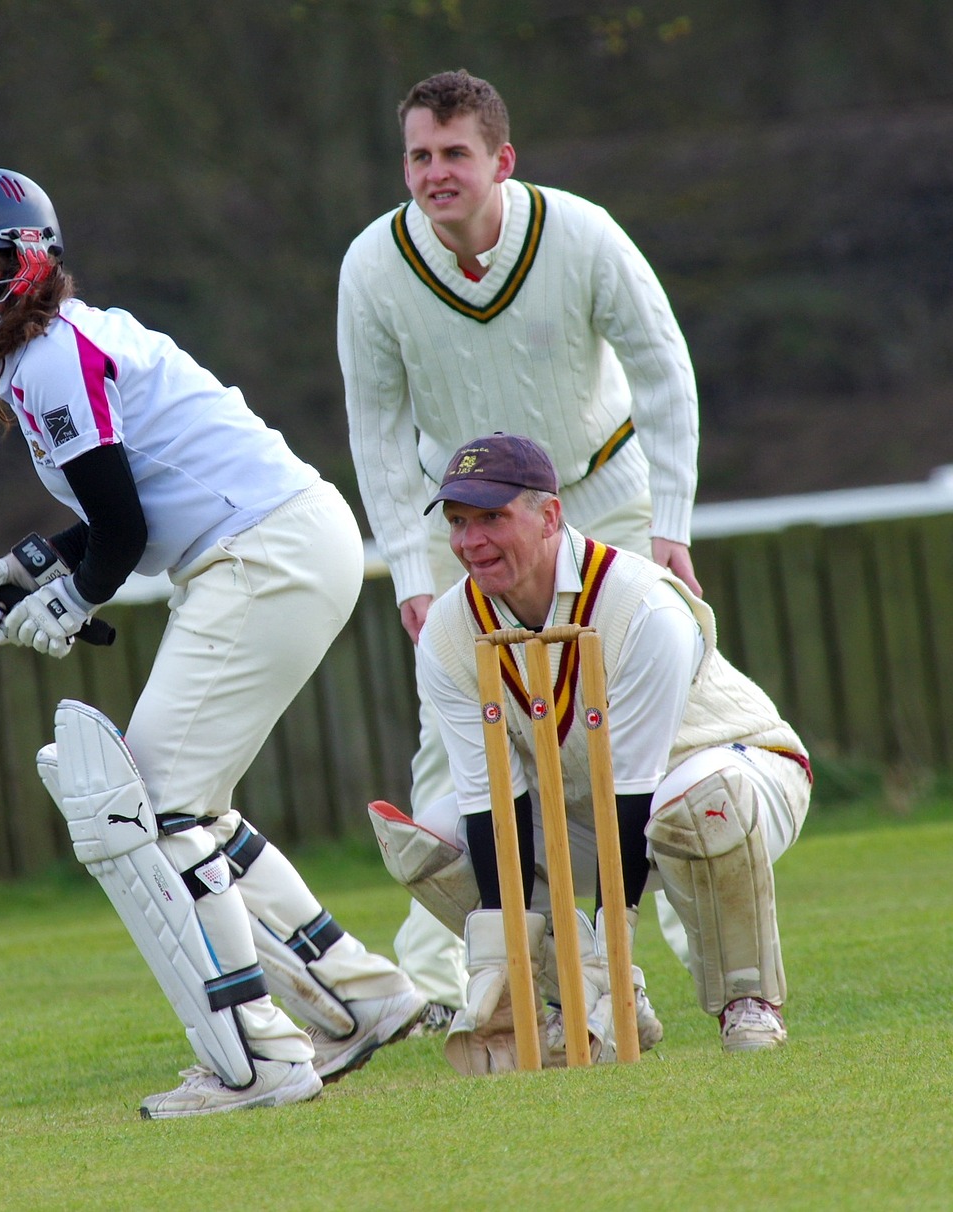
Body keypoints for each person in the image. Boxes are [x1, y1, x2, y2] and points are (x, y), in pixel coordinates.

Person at [0, 168, 426, 1119]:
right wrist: (27, 568)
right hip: (276, 544)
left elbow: (122, 535)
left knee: (157, 809)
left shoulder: (53, 353)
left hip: (265, 551)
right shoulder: (49, 350)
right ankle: (359, 1000)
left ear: (23, 263)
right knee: (191, 808)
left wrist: (65, 601)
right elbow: (110, 518)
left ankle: (260, 1056)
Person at [338, 69, 703, 1022]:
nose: (435, 173)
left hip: (599, 491)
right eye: (419, 155)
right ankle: (463, 983)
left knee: (668, 725)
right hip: (460, 515)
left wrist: (669, 525)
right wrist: (412, 570)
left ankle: (709, 964)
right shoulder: (372, 265)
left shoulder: (580, 234)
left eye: (455, 154)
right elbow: (376, 429)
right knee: (452, 734)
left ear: (501, 159)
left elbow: (664, 369)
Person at [376, 433, 806, 1071]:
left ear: (549, 516)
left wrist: (613, 950)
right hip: (588, 808)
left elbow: (631, 794)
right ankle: (571, 999)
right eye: (458, 523)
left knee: (692, 799)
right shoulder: (448, 630)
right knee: (429, 840)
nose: (470, 542)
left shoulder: (640, 604)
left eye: (492, 518)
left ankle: (747, 1000)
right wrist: (503, 959)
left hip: (741, 776)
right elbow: (494, 802)